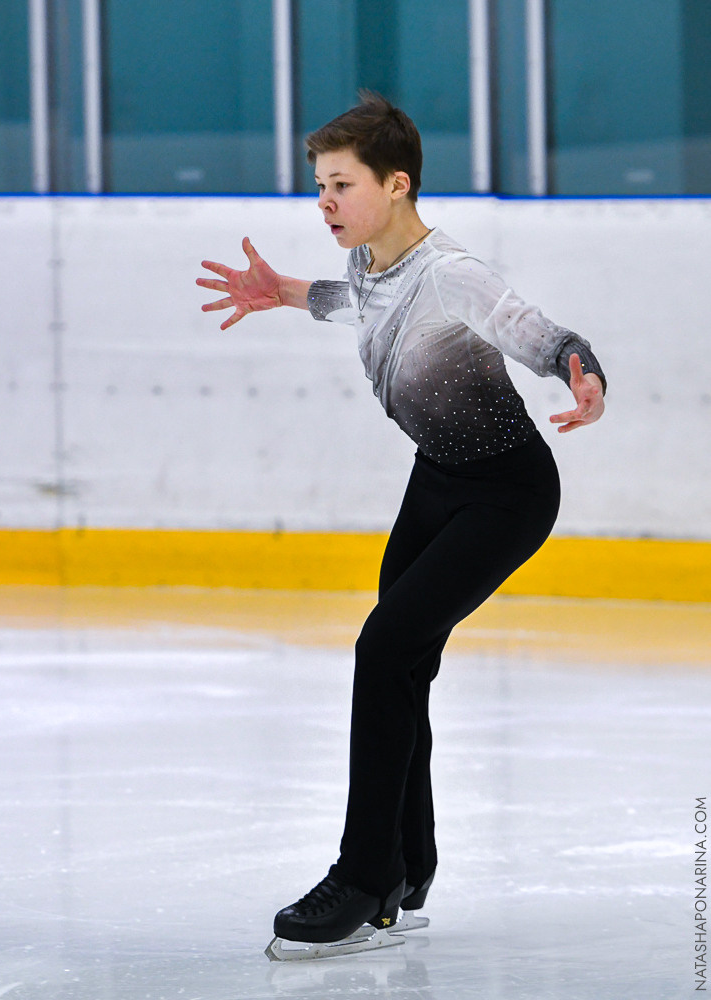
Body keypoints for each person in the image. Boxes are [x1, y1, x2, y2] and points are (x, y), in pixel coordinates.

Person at [196, 92, 606, 955]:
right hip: (437, 482)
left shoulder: (449, 270)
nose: (325, 201)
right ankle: (408, 870)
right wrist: (283, 293)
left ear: (397, 184)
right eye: (319, 185)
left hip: (506, 493)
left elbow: (535, 331)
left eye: (341, 184)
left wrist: (581, 371)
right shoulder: (370, 265)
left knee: (384, 650)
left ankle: (362, 878)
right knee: (403, 662)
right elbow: (360, 301)